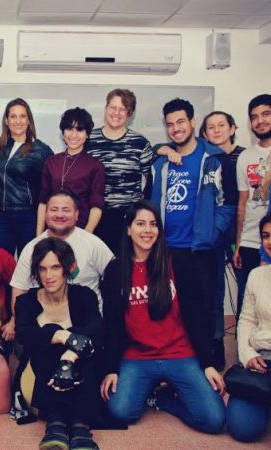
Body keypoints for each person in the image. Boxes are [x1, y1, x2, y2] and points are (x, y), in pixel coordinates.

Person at [100, 200, 226, 435]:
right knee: (120, 410)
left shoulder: (177, 261)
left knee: (214, 419)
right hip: (137, 356)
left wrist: (207, 363)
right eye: (140, 224)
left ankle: (163, 397)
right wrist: (111, 368)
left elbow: (198, 315)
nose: (148, 230)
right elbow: (113, 324)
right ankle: (152, 392)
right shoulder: (116, 270)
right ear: (128, 229)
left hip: (180, 353)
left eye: (153, 224)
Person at [149, 98, 236, 364]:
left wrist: (212, 233)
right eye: (170, 124)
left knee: (205, 306)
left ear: (193, 122)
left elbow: (228, 203)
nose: (176, 128)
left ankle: (207, 361)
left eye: (181, 122)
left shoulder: (214, 159)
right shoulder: (161, 163)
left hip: (200, 247)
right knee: (171, 307)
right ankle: (178, 359)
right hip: (167, 248)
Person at [16, 237, 103, 450]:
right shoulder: (26, 301)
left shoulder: (84, 295)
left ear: (67, 268)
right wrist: (61, 336)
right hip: (39, 379)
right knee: (49, 335)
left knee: (82, 343)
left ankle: (75, 424)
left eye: (55, 267)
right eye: (42, 268)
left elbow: (98, 330)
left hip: (79, 373)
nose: (48, 276)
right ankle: (59, 422)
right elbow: (24, 334)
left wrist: (69, 356)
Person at [10, 191, 113, 341]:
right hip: (42, 331)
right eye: (54, 209)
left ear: (77, 214)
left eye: (66, 210)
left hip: (86, 327)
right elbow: (19, 291)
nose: (59, 215)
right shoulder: (31, 248)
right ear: (45, 213)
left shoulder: (93, 244)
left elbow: (115, 280)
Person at [198, 110, 244, 369]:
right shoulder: (205, 159)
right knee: (214, 292)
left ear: (232, 128)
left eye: (221, 125)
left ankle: (246, 347)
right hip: (213, 236)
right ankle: (215, 341)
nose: (216, 130)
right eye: (210, 127)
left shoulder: (244, 156)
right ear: (204, 133)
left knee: (247, 291)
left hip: (243, 235)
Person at [85, 89, 153, 254]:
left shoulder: (140, 143)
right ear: (105, 108)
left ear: (129, 114)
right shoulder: (88, 140)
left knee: (123, 266)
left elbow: (150, 183)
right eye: (112, 107)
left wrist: (138, 213)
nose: (116, 113)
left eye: (122, 109)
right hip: (94, 218)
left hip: (127, 220)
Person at [0, 98, 53, 257]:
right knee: (1, 264)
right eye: (13, 116)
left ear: (29, 120)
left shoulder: (41, 150)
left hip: (28, 217)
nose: (18, 121)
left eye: (22, 116)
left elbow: (50, 187)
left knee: (29, 264)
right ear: (6, 120)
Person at [226, 213, 271, 443]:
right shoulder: (256, 275)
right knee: (241, 426)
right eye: (266, 235)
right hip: (262, 361)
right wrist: (248, 354)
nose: (270, 241)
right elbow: (246, 321)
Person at [39, 107, 104, 236]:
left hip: (80, 230)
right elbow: (43, 202)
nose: (73, 135)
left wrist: (85, 236)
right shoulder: (51, 162)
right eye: (69, 129)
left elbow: (96, 206)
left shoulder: (95, 166)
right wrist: (39, 236)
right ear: (63, 132)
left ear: (87, 134)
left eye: (79, 130)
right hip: (51, 231)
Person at [235, 94, 271, 312]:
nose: (260, 121)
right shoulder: (245, 156)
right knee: (248, 304)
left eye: (266, 114)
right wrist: (238, 244)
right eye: (254, 117)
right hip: (250, 242)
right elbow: (242, 205)